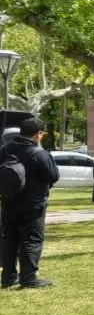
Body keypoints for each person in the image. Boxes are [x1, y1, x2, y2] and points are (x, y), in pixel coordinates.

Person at [0, 117, 59, 289]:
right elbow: (53, 176)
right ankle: (29, 277)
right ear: (38, 134)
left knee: (9, 239)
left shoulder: (5, 149)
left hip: (9, 201)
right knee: (32, 240)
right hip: (32, 204)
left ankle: (8, 276)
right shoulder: (39, 153)